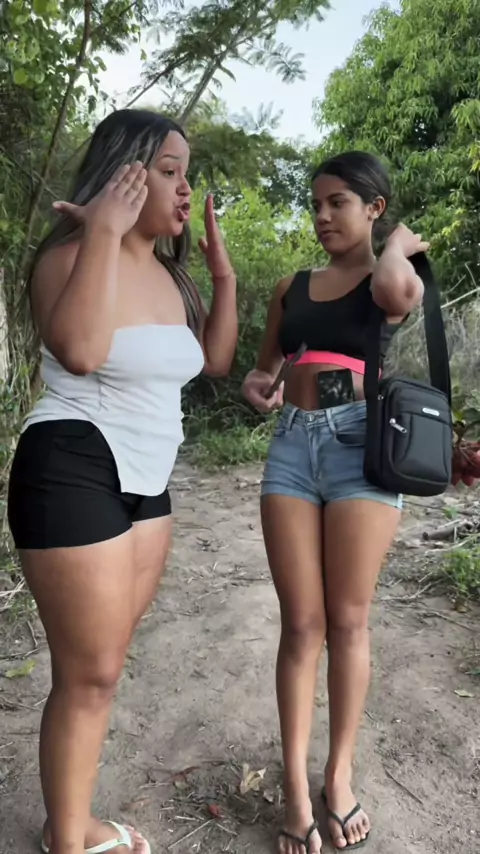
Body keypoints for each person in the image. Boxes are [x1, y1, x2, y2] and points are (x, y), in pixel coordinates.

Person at [7, 109, 237, 854]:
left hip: (149, 484)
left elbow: (213, 363)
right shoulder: (73, 255)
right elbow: (78, 349)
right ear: (122, 178)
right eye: (169, 171)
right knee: (91, 671)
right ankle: (71, 838)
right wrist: (105, 231)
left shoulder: (170, 277)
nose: (184, 188)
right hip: (74, 462)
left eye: (186, 173)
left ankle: (67, 824)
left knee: (98, 673)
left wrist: (223, 275)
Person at [242, 151, 428, 853]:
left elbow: (397, 291)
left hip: (360, 446)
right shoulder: (290, 287)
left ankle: (338, 776)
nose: (321, 216)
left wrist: (398, 242)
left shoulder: (387, 280)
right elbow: (264, 369)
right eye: (315, 204)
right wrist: (258, 387)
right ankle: (296, 789)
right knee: (301, 625)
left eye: (338, 203)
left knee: (348, 621)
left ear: (373, 208)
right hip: (293, 445)